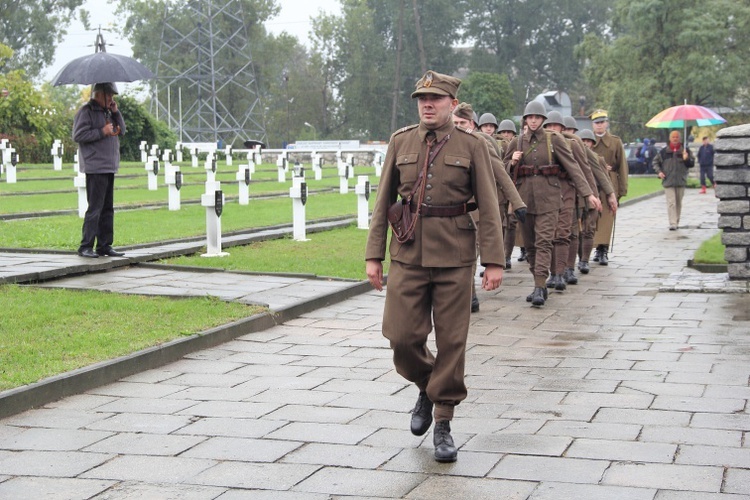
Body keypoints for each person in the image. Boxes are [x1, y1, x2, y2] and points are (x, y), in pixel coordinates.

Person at [365, 70, 504, 463]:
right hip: (407, 253)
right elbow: (382, 203)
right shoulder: (400, 141)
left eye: (436, 99)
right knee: (401, 336)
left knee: (452, 341)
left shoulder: (472, 145)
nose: (427, 104)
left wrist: (493, 261)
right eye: (422, 98)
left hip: (455, 255)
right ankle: (427, 384)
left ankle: (442, 420)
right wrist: (374, 255)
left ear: (452, 104)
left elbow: (489, 207)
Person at [503, 101, 600, 306]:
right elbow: (501, 171)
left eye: (537, 117)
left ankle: (539, 286)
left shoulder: (553, 140)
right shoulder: (517, 142)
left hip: (550, 200)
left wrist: (588, 193)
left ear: (543, 120)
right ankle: (539, 281)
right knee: (530, 246)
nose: (534, 120)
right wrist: (512, 161)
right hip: (525, 200)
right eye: (530, 117)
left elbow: (573, 167)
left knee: (544, 242)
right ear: (525, 120)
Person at [73, 82, 127, 258]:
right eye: (109, 95)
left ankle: (104, 245)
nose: (111, 99)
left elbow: (123, 130)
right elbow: (78, 135)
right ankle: (86, 246)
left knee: (107, 209)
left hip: (109, 166)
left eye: (112, 96)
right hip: (95, 166)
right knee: (95, 208)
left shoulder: (109, 112)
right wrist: (101, 131)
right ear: (98, 94)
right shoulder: (86, 112)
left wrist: (116, 112)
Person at [590, 109, 628, 265]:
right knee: (590, 218)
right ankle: (589, 248)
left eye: (602, 122)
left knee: (606, 218)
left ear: (606, 123)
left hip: (609, 182)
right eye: (596, 123)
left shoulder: (615, 142)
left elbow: (622, 167)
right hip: (591, 181)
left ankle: (603, 249)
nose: (599, 125)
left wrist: (621, 189)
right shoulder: (587, 140)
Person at [653, 130, 694, 230]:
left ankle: (676, 220)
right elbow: (655, 162)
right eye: (673, 137)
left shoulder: (685, 151)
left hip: (680, 180)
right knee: (671, 203)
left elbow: (691, 164)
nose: (675, 139)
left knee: (678, 203)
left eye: (677, 137)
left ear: (679, 138)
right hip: (668, 181)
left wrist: (686, 159)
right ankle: (673, 223)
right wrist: (659, 172)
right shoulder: (663, 152)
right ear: (670, 139)